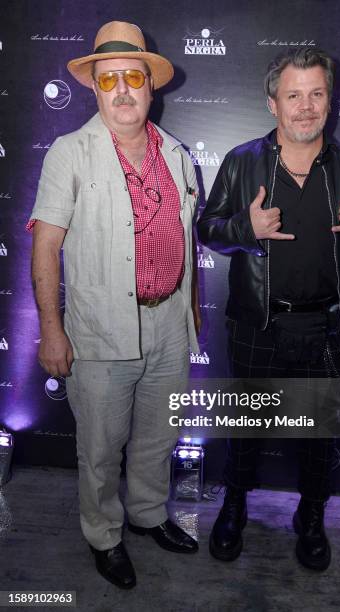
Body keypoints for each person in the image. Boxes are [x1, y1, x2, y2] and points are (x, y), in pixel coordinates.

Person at [197, 48, 340, 571]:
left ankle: (311, 516)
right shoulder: (241, 161)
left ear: (330, 100)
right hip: (258, 325)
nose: (305, 107)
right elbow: (206, 228)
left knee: (321, 436)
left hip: (328, 328)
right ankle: (233, 506)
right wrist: (244, 229)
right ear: (272, 104)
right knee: (247, 431)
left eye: (316, 94)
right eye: (293, 95)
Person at [29, 21, 200, 589]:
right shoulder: (68, 153)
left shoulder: (177, 155)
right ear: (95, 89)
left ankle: (149, 514)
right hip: (98, 332)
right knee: (100, 451)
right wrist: (52, 332)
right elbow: (46, 245)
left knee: (158, 436)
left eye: (133, 76)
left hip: (170, 326)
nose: (123, 89)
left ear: (150, 85)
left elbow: (187, 240)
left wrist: (192, 309)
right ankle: (104, 535)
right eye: (110, 80)